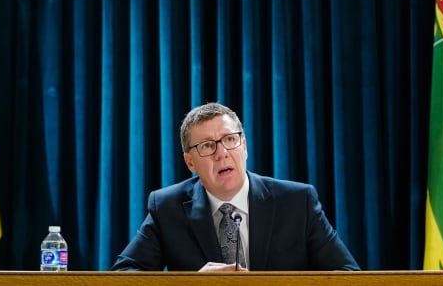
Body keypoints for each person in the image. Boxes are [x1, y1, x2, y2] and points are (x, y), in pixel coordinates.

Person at [111, 102, 359, 271]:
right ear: (190, 162)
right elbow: (125, 274)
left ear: (245, 146)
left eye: (230, 140)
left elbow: (347, 274)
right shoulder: (167, 208)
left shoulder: (297, 201)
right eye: (207, 146)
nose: (222, 153)